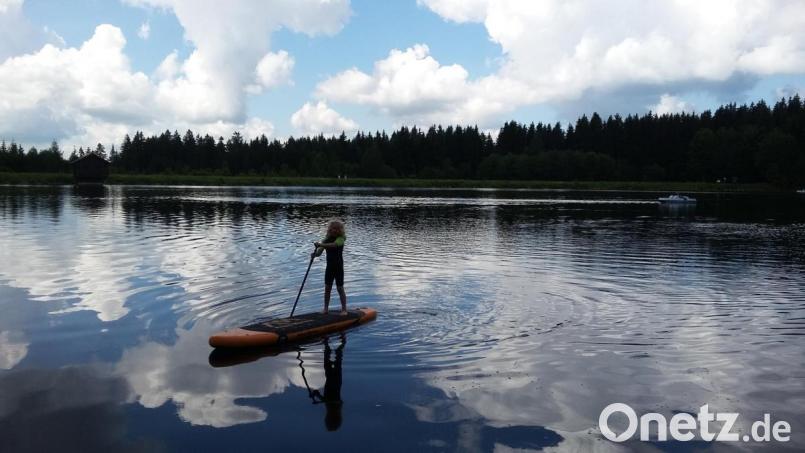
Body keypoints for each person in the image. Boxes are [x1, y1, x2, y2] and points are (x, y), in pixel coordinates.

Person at [313, 220, 347, 315]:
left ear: (340, 230)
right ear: (329, 229)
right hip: (329, 267)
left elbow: (334, 245)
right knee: (327, 288)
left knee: (340, 288)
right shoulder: (326, 240)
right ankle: (325, 309)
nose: (334, 230)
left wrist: (321, 244)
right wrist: (314, 254)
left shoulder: (341, 238)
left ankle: (344, 309)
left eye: (337, 229)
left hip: (338, 267)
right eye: (332, 228)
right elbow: (319, 252)